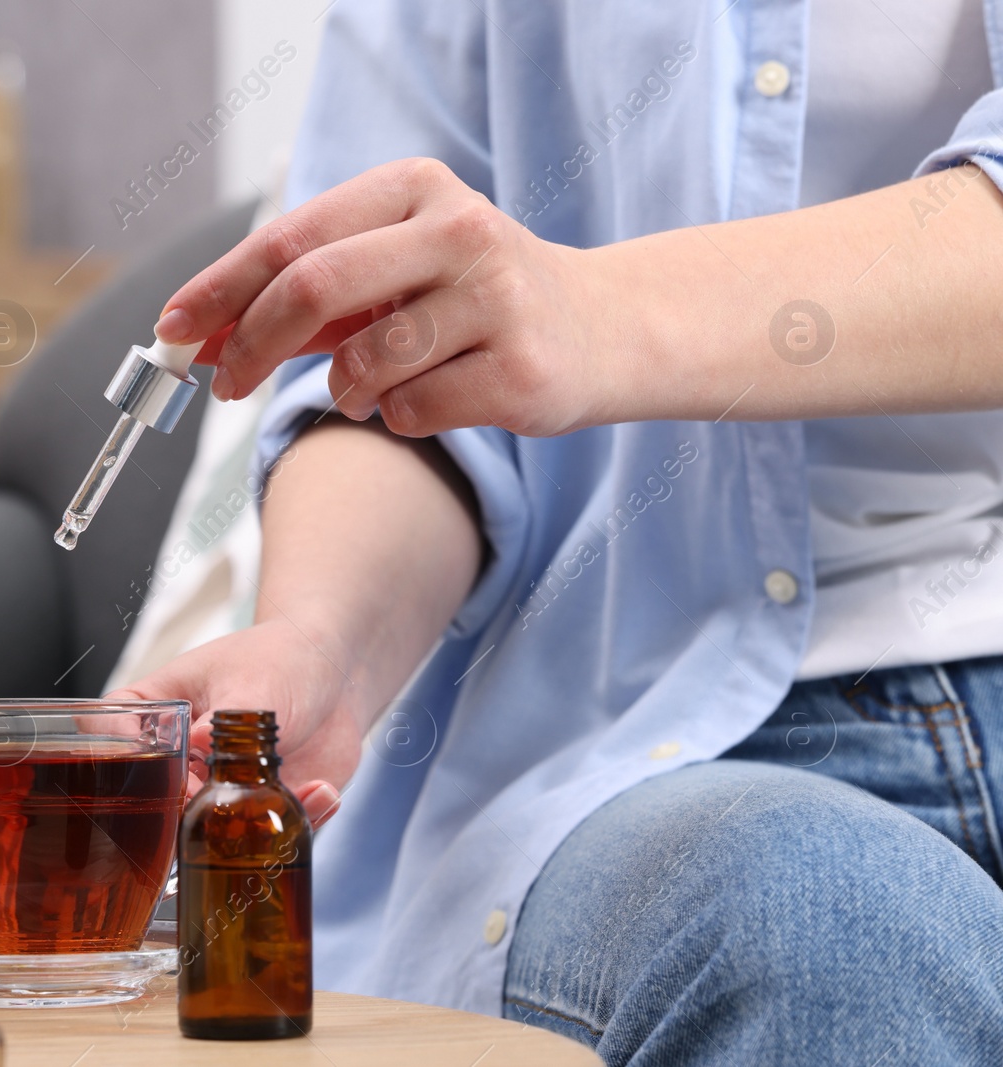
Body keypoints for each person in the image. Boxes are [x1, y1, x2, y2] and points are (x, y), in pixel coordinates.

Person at [109, 1, 1003, 1063]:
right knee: (820, 912)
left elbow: (537, 320)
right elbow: (395, 376)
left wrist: (594, 310)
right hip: (666, 730)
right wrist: (323, 638)